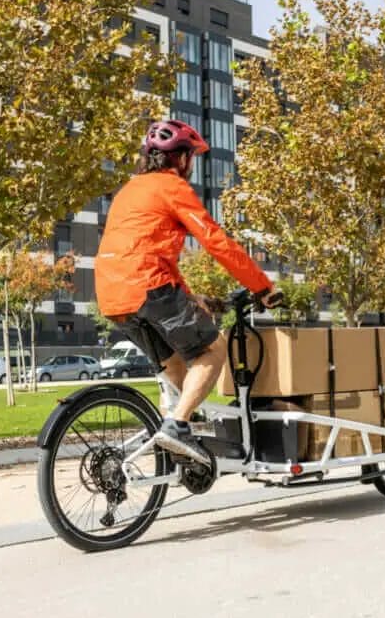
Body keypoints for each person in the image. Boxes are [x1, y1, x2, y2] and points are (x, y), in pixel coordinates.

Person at [95, 119, 282, 465]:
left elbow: (150, 252)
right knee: (213, 351)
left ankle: (184, 448)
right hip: (148, 286)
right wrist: (262, 286)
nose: (192, 164)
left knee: (178, 367)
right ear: (180, 158)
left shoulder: (130, 190)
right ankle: (177, 427)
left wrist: (188, 295)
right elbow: (215, 241)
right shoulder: (171, 186)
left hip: (113, 294)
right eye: (191, 156)